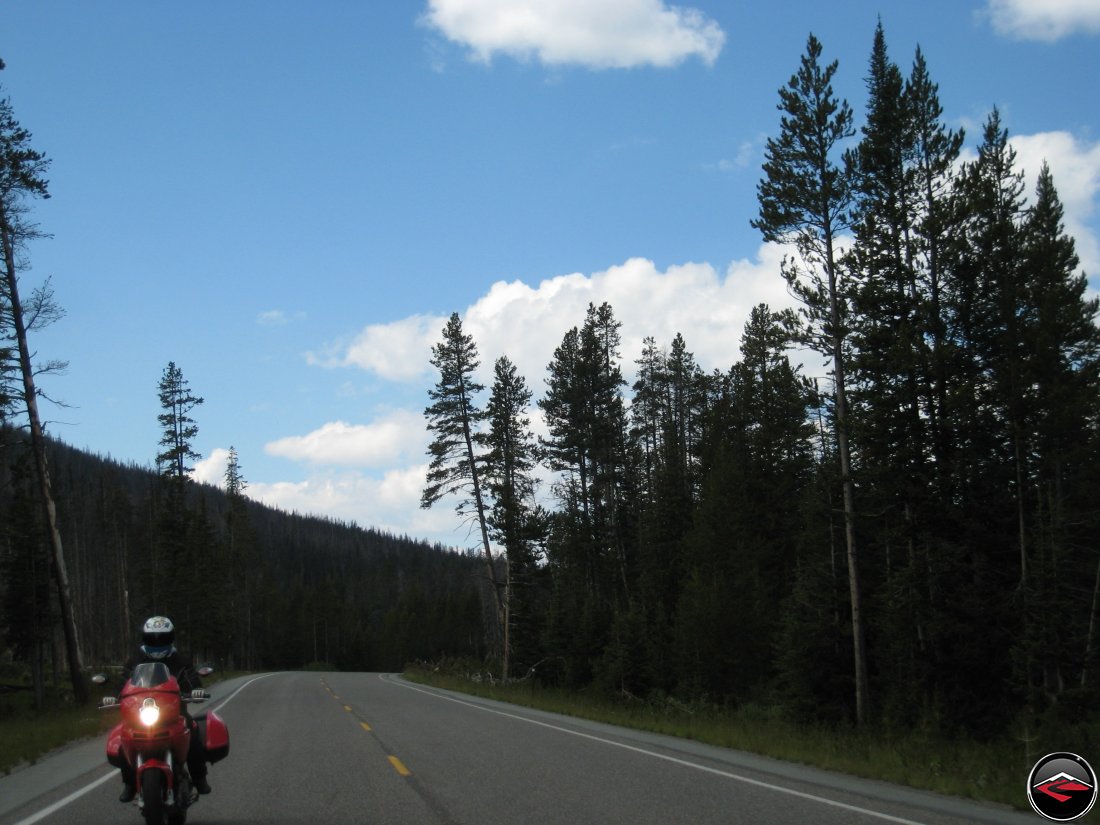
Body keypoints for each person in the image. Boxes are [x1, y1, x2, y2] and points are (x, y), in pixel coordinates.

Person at [117, 615, 211, 803]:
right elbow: (123, 681)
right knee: (123, 739)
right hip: (141, 713)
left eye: (162, 638)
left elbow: (192, 679)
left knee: (192, 732)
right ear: (145, 638)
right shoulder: (136, 659)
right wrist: (114, 694)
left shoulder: (180, 660)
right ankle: (128, 783)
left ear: (171, 638)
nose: (157, 642)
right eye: (153, 638)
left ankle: (200, 778)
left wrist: (197, 690)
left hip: (175, 713)